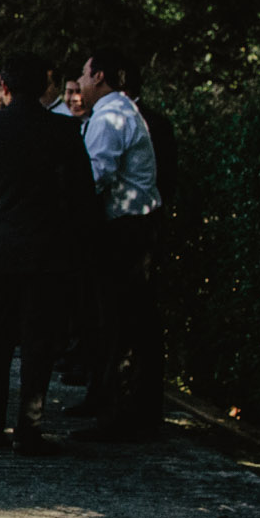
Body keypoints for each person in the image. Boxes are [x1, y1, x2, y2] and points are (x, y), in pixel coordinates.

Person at [0, 52, 96, 455]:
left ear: (6, 88)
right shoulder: (64, 131)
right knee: (38, 342)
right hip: (48, 256)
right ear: (46, 86)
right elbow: (82, 198)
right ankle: (28, 430)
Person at [73, 45, 164, 441]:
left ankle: (120, 416)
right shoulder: (120, 110)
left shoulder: (111, 115)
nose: (78, 82)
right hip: (131, 228)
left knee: (121, 321)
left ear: (99, 77)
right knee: (113, 319)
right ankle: (106, 401)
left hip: (126, 231)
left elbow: (96, 175)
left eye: (83, 73)